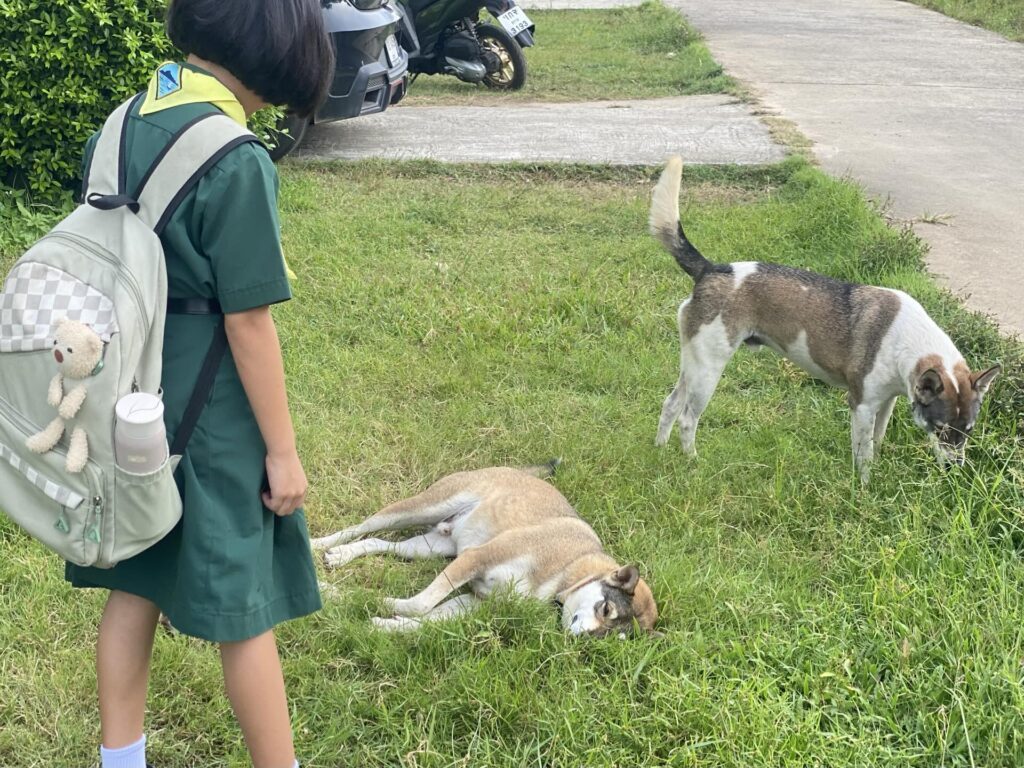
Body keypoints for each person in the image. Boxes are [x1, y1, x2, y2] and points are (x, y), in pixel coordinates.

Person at [65, 2, 335, 767]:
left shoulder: (120, 124)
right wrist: (282, 453)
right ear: (277, 52)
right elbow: (248, 324)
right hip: (210, 415)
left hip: (125, 399)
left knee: (136, 582)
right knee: (244, 609)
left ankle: (121, 760)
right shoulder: (235, 157)